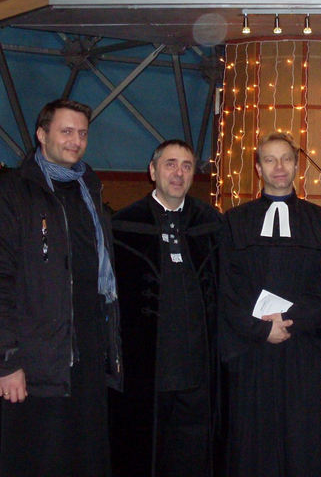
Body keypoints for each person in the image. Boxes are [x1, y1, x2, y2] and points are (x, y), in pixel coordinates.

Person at [0, 99, 121, 477]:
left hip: (86, 357)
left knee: (84, 459)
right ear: (42, 134)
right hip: (36, 361)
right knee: (38, 460)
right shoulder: (10, 193)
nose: (76, 141)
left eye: (82, 133)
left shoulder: (89, 190)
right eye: (66, 131)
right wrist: (7, 362)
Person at [219, 131, 321, 477]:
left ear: (296, 166)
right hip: (251, 347)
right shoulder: (234, 222)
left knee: (300, 433)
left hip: (299, 344)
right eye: (270, 159)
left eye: (286, 159)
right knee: (251, 433)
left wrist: (290, 322)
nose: (279, 166)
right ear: (258, 168)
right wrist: (259, 329)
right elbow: (225, 286)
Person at [109, 139, 223, 477]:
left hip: (198, 370)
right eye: (170, 164)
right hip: (147, 369)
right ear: (152, 170)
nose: (179, 173)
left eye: (187, 166)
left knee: (193, 458)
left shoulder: (210, 223)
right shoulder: (124, 226)